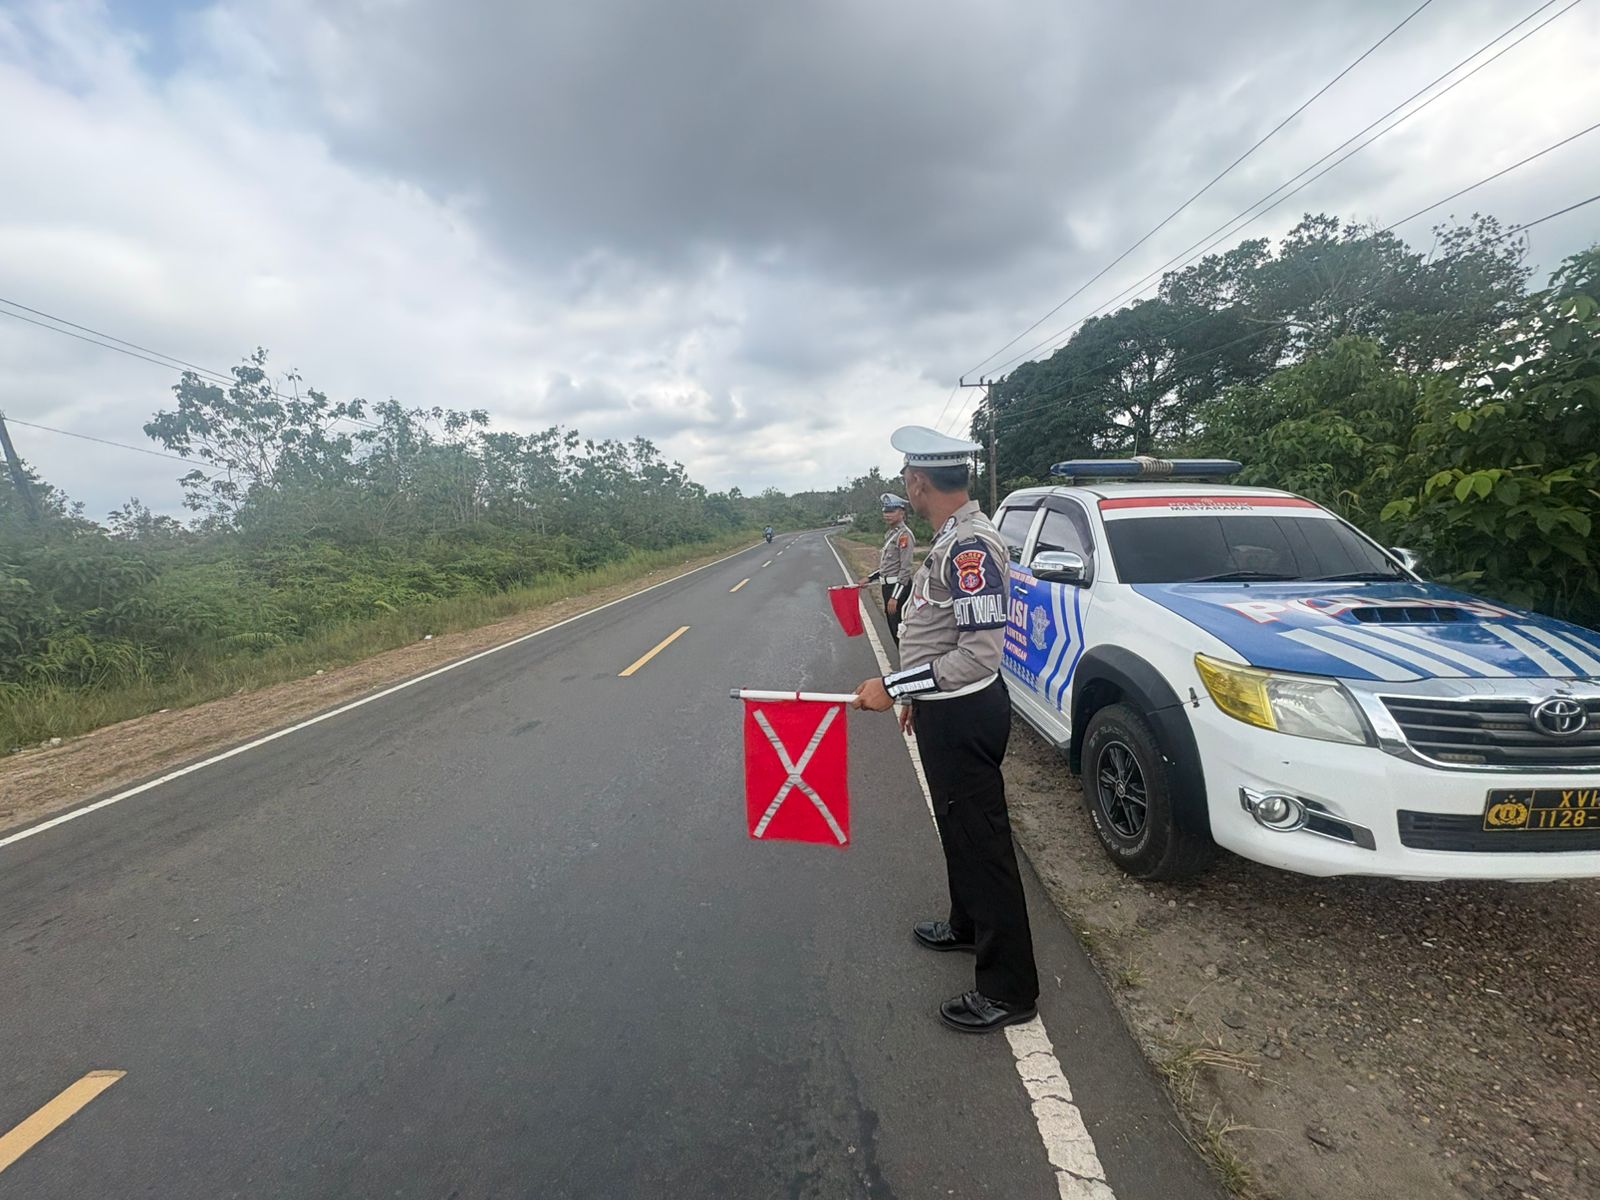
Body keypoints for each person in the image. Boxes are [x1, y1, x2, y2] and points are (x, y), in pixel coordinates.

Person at [852, 425, 1040, 1034]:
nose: (906, 487)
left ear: (918, 481)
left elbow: (980, 655)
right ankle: (966, 926)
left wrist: (895, 688)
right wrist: (920, 698)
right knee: (957, 829)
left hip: (967, 713)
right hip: (944, 707)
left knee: (983, 845)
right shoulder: (950, 539)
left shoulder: (970, 548)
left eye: (907, 479)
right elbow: (939, 636)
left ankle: (1010, 990)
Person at [855, 493, 917, 644]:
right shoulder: (891, 534)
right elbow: (888, 567)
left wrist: (895, 597)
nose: (887, 515)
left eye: (891, 511)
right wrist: (869, 578)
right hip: (887, 587)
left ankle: (907, 662)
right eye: (885, 511)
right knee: (893, 627)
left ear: (902, 513)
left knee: (900, 629)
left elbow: (905, 569)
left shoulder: (904, 536)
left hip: (898, 588)